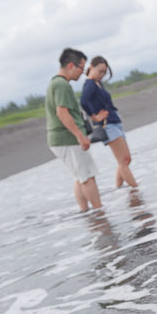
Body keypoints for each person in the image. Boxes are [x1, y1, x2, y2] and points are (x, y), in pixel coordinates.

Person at [45, 48, 102, 212]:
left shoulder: (55, 83)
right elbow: (62, 112)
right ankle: (100, 214)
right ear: (71, 65)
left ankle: (86, 212)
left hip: (62, 139)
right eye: (81, 68)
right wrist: (80, 136)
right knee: (87, 176)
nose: (82, 72)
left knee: (80, 177)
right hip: (67, 139)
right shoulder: (61, 84)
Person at [80, 56, 138, 188]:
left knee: (125, 159)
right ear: (91, 68)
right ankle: (136, 190)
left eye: (104, 72)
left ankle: (120, 189)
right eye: (100, 71)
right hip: (107, 125)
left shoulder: (97, 83)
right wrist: (94, 117)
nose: (102, 75)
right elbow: (83, 101)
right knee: (124, 160)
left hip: (114, 122)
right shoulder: (89, 84)